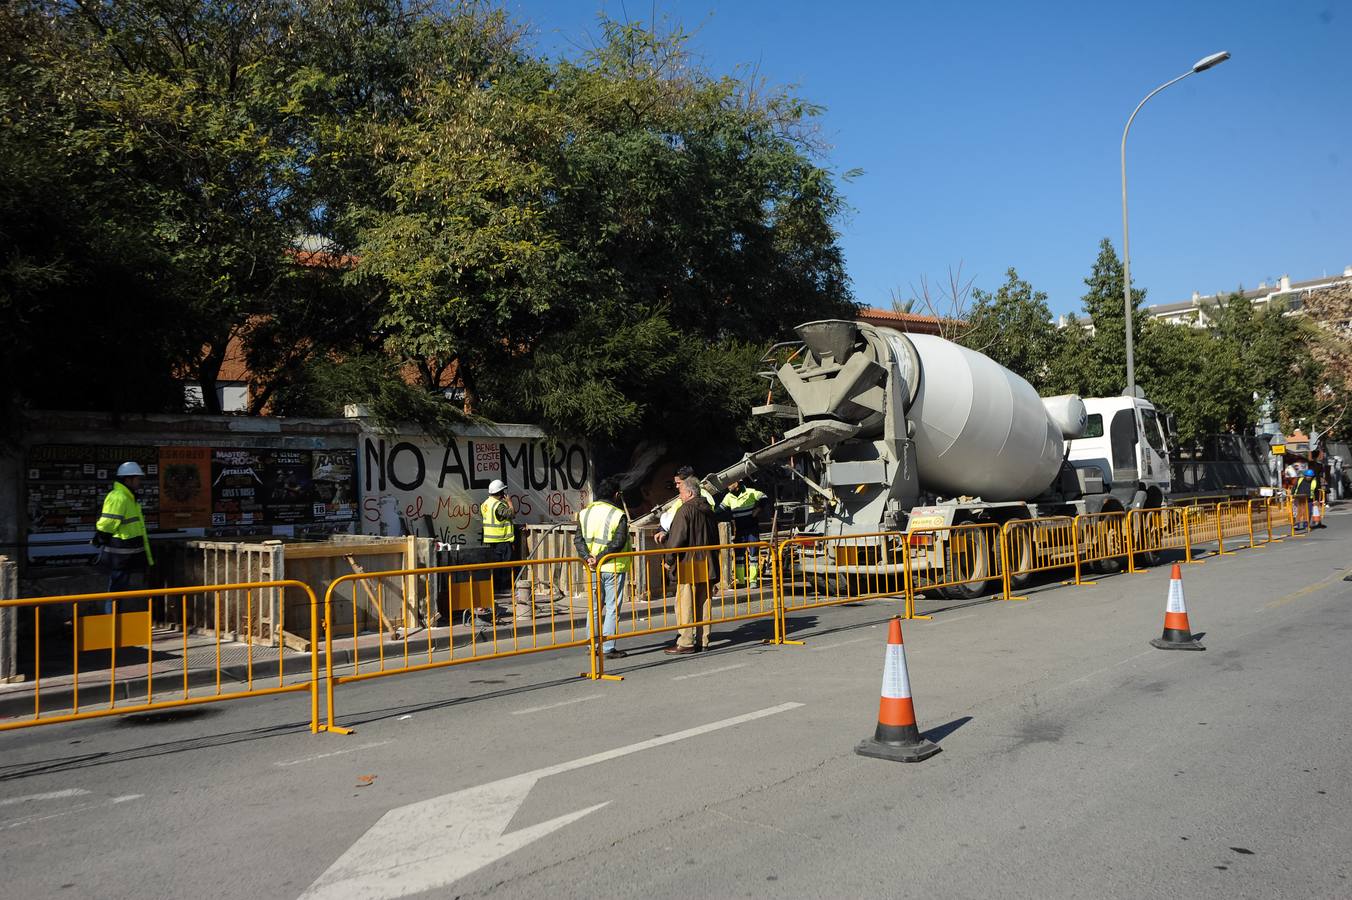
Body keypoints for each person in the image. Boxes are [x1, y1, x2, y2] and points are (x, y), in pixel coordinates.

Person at [574, 477, 632, 660]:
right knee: (612, 608)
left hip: (592, 568)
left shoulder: (584, 513)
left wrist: (588, 558)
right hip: (613, 566)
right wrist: (600, 558)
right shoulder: (617, 514)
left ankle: (592, 644)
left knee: (594, 608)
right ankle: (607, 647)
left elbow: (578, 539)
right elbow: (619, 541)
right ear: (616, 495)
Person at [662, 476, 719, 655]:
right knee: (703, 601)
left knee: (684, 603)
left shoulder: (685, 510)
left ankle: (686, 641)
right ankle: (704, 639)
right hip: (707, 561)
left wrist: (668, 560)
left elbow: (677, 539)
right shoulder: (708, 510)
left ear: (689, 492)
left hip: (688, 561)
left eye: (680, 492)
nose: (679, 496)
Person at [92, 461, 154, 612]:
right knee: (115, 592)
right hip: (120, 556)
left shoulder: (128, 497)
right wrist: (99, 538)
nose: (139, 482)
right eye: (137, 479)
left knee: (118, 591)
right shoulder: (119, 497)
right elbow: (107, 523)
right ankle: (112, 625)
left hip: (125, 555)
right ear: (128, 480)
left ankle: (116, 624)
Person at [720, 479, 768, 587]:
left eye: (729, 483)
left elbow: (764, 497)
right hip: (740, 530)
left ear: (736, 483)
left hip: (752, 529)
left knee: (753, 554)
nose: (727, 486)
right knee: (739, 556)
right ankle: (740, 581)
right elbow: (720, 509)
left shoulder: (750, 492)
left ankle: (753, 581)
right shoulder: (729, 496)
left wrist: (758, 509)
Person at [655, 465, 716, 543]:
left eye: (679, 483)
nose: (676, 486)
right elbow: (672, 515)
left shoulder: (701, 496)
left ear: (689, 480)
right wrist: (663, 530)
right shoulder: (682, 498)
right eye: (675, 483)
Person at [480, 479, 516, 599]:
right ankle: (505, 589)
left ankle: (495, 588)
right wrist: (510, 502)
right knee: (505, 566)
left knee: (495, 567)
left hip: (490, 541)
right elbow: (511, 514)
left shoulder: (485, 504)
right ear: (500, 492)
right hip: (502, 540)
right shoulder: (499, 505)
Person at [1293, 467, 1316, 531]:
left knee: (1308, 512)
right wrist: (1293, 495)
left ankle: (1306, 525)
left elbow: (1315, 491)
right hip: (1299, 498)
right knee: (1299, 512)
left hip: (1309, 499)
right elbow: (1294, 487)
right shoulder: (1300, 480)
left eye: (1310, 476)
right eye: (1307, 476)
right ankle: (1296, 525)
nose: (1309, 477)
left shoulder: (1314, 482)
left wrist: (1315, 500)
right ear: (1305, 476)